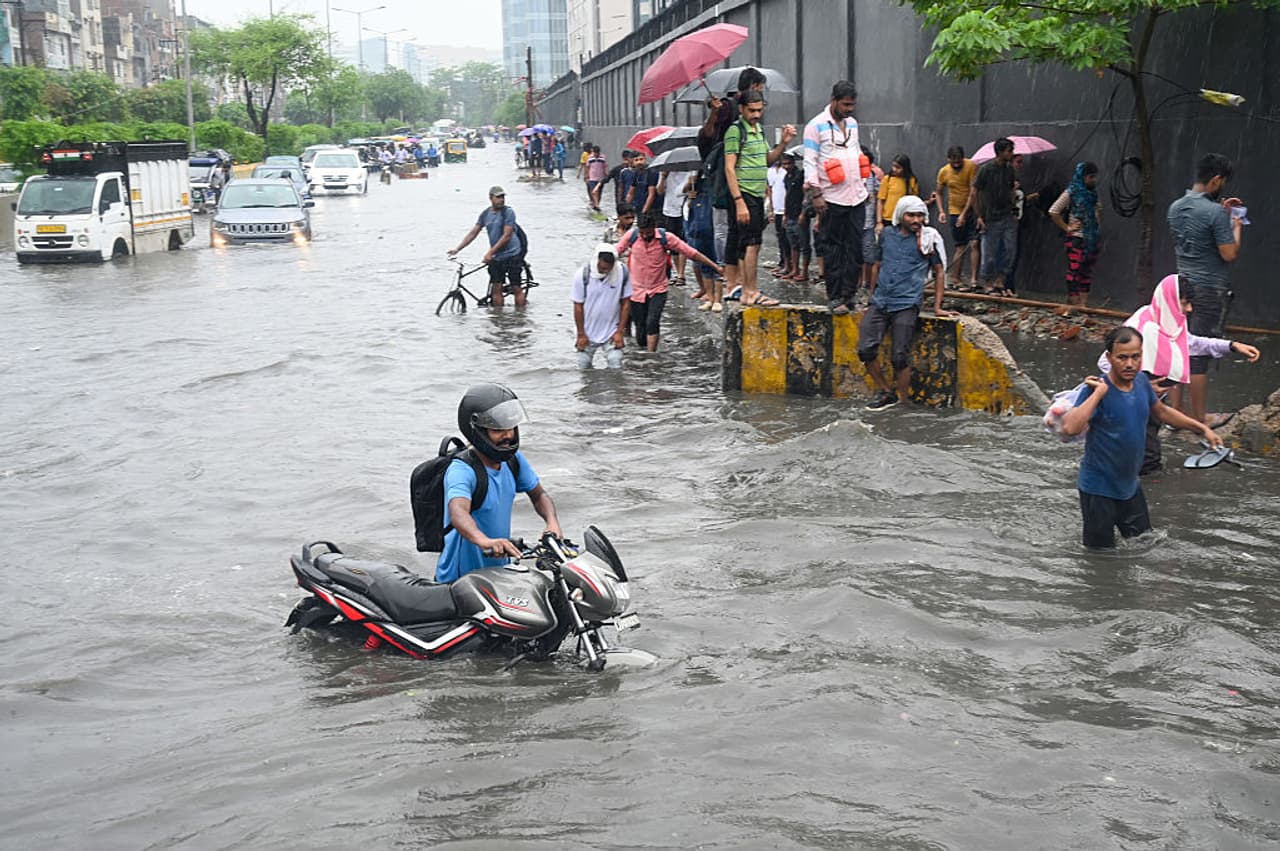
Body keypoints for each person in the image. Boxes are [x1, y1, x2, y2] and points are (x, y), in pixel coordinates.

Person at [1061, 326, 1222, 550]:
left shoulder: (1141, 383)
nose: (1129, 364)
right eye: (1122, 357)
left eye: (1135, 357)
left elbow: (1162, 412)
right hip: (1098, 490)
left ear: (1142, 355)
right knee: (1100, 557)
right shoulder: (1096, 389)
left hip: (1130, 487)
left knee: (1146, 546)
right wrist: (1098, 394)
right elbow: (1069, 427)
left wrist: (1201, 428)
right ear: (1109, 357)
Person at [435, 383, 561, 582]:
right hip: (460, 581)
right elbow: (458, 513)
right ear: (477, 431)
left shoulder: (513, 461)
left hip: (498, 575)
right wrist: (485, 542)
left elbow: (539, 495)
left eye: (511, 428)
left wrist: (552, 523)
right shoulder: (461, 470)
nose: (508, 435)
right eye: (498, 430)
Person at [1167, 152, 1245, 427]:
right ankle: (1199, 418)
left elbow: (1194, 236)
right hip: (1208, 289)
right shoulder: (1214, 213)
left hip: (1180, 287)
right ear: (1216, 180)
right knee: (1198, 353)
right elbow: (1229, 254)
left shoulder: (1176, 207)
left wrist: (1220, 213)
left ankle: (1175, 415)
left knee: (1178, 348)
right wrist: (1235, 226)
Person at [858, 196, 952, 411]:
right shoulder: (887, 235)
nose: (916, 220)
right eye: (911, 215)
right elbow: (877, 265)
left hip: (907, 303)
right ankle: (886, 391)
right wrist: (871, 296)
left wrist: (938, 307)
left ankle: (901, 402)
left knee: (900, 356)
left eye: (920, 215)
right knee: (865, 350)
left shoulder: (927, 239)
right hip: (881, 301)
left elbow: (939, 271)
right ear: (901, 216)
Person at [803, 80, 869, 316]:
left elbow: (857, 152)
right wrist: (816, 193)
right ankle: (835, 296)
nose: (849, 109)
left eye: (852, 105)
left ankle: (849, 295)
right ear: (834, 100)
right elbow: (810, 161)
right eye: (845, 105)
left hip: (856, 197)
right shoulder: (815, 126)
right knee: (833, 249)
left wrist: (865, 184)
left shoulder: (852, 124)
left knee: (855, 249)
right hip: (830, 198)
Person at [724, 89, 795, 307]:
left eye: (759, 110)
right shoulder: (736, 131)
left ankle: (747, 290)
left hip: (756, 193)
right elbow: (729, 168)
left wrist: (783, 143)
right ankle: (750, 291)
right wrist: (739, 201)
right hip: (744, 193)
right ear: (742, 108)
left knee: (751, 244)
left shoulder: (758, 129)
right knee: (751, 244)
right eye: (752, 110)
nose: (756, 114)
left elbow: (767, 159)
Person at [617, 212, 723, 352]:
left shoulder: (666, 238)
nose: (645, 236)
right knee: (641, 329)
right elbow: (616, 251)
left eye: (648, 233)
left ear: (654, 228)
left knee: (652, 322)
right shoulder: (632, 236)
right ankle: (643, 353)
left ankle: (651, 358)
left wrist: (715, 267)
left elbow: (691, 253)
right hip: (636, 290)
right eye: (642, 233)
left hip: (658, 289)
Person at [447, 185, 526, 308]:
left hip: (512, 254)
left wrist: (490, 253)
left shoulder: (508, 212)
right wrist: (457, 249)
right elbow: (474, 233)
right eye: (498, 197)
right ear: (491, 198)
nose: (502, 200)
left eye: (503, 197)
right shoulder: (485, 214)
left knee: (516, 287)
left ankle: (520, 317)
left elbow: (507, 236)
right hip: (497, 256)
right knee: (496, 288)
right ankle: (499, 320)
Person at [1049, 162, 1103, 308]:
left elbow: (1099, 210)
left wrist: (1096, 227)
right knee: (1075, 270)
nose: (1094, 180)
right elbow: (1054, 211)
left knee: (1086, 271)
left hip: (1091, 239)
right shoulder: (1071, 192)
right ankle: (1074, 301)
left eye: (1094, 177)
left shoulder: (1093, 194)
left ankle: (1083, 304)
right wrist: (1067, 227)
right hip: (1076, 238)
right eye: (1091, 177)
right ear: (1083, 177)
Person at [572, 244, 633, 369]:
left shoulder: (622, 273)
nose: (606, 271)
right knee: (583, 367)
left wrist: (620, 332)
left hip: (611, 330)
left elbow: (626, 303)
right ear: (597, 261)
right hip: (587, 331)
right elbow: (578, 306)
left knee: (615, 363)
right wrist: (581, 334)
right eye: (603, 268)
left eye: (609, 269)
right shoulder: (583, 275)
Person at [970, 138, 1018, 296]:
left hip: (1007, 215)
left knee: (1009, 250)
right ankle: (988, 283)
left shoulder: (1009, 170)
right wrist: (979, 216)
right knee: (989, 253)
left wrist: (1013, 201)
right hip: (990, 217)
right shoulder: (986, 170)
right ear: (1000, 152)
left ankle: (1000, 281)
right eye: (1009, 151)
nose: (1011, 154)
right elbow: (975, 192)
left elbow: (1011, 188)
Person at [935, 146, 979, 289]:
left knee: (974, 244)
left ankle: (973, 279)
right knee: (960, 246)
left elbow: (973, 192)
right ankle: (956, 278)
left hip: (972, 210)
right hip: (954, 211)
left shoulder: (971, 166)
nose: (957, 165)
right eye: (953, 162)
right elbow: (939, 193)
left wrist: (965, 214)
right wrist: (941, 211)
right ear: (949, 160)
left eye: (959, 162)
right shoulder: (944, 172)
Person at [657, 169, 694, 284]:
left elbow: (691, 189)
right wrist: (663, 177)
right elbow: (660, 191)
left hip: (685, 208)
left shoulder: (691, 170)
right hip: (669, 209)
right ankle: (677, 272)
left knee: (683, 242)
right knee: (672, 243)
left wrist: (690, 184)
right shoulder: (665, 170)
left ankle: (681, 274)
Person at [875, 154, 922, 236]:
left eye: (898, 167)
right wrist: (879, 222)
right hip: (888, 220)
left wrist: (928, 202)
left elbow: (915, 202)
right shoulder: (887, 179)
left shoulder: (911, 181)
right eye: (893, 166)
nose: (894, 169)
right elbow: (880, 201)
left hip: (904, 221)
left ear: (905, 168)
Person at [858, 146, 883, 297]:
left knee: (868, 255)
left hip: (868, 222)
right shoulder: (853, 176)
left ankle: (866, 281)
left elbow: (880, 196)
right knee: (856, 254)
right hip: (854, 222)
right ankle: (859, 280)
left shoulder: (873, 176)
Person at [766, 157, 791, 274]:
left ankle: (788, 264)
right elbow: (769, 190)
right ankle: (782, 263)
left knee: (788, 238)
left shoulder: (785, 172)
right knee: (780, 237)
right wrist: (771, 209)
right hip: (776, 208)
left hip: (785, 208)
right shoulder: (770, 171)